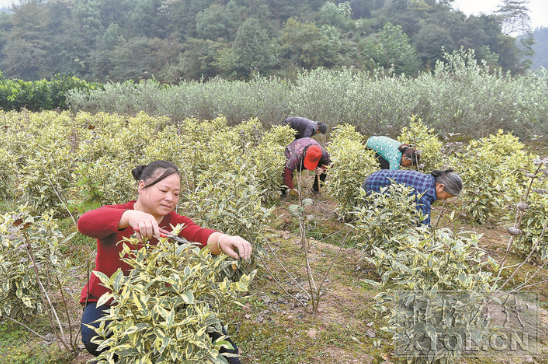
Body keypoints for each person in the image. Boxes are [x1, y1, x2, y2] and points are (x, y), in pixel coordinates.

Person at [79, 160, 251, 364]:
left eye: (176, 194)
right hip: (112, 299)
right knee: (94, 339)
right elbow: (85, 223)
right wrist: (130, 216)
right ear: (142, 186)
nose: (170, 198)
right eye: (163, 190)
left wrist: (223, 239)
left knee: (225, 348)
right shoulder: (119, 213)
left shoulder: (175, 222)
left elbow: (200, 236)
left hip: (166, 301)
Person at [362, 169, 462, 226]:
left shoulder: (430, 181)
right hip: (374, 184)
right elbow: (423, 225)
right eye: (447, 196)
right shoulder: (425, 194)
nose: (445, 199)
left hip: (377, 176)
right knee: (377, 219)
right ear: (440, 186)